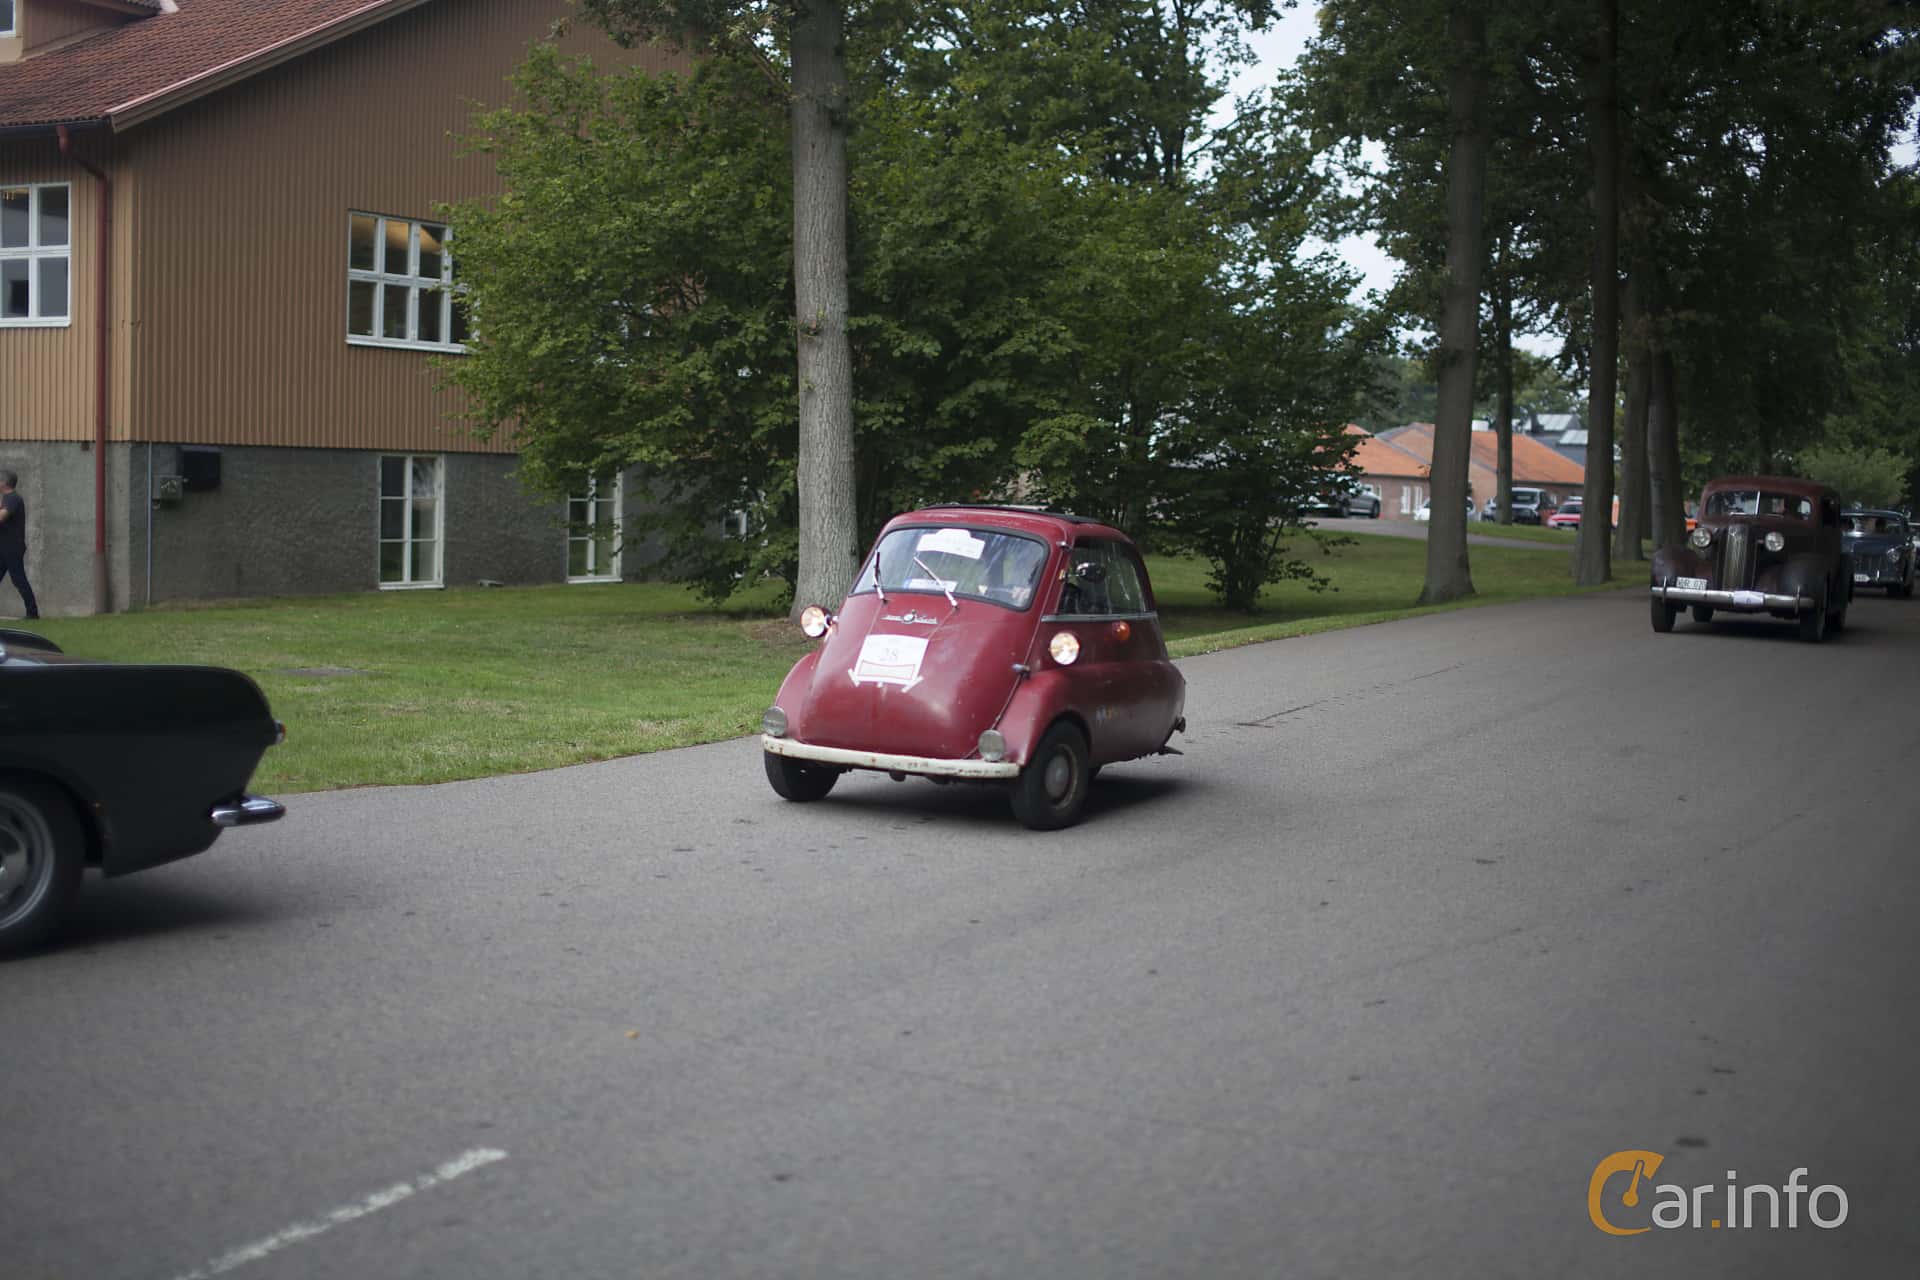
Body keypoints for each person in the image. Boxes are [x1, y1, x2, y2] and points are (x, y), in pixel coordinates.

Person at [0, 469, 39, 620]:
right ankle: (32, 612)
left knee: (18, 579)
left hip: (12, 547)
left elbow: (1, 517)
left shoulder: (13, 498)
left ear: (4, 482)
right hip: (4, 547)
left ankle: (32, 613)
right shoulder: (6, 498)